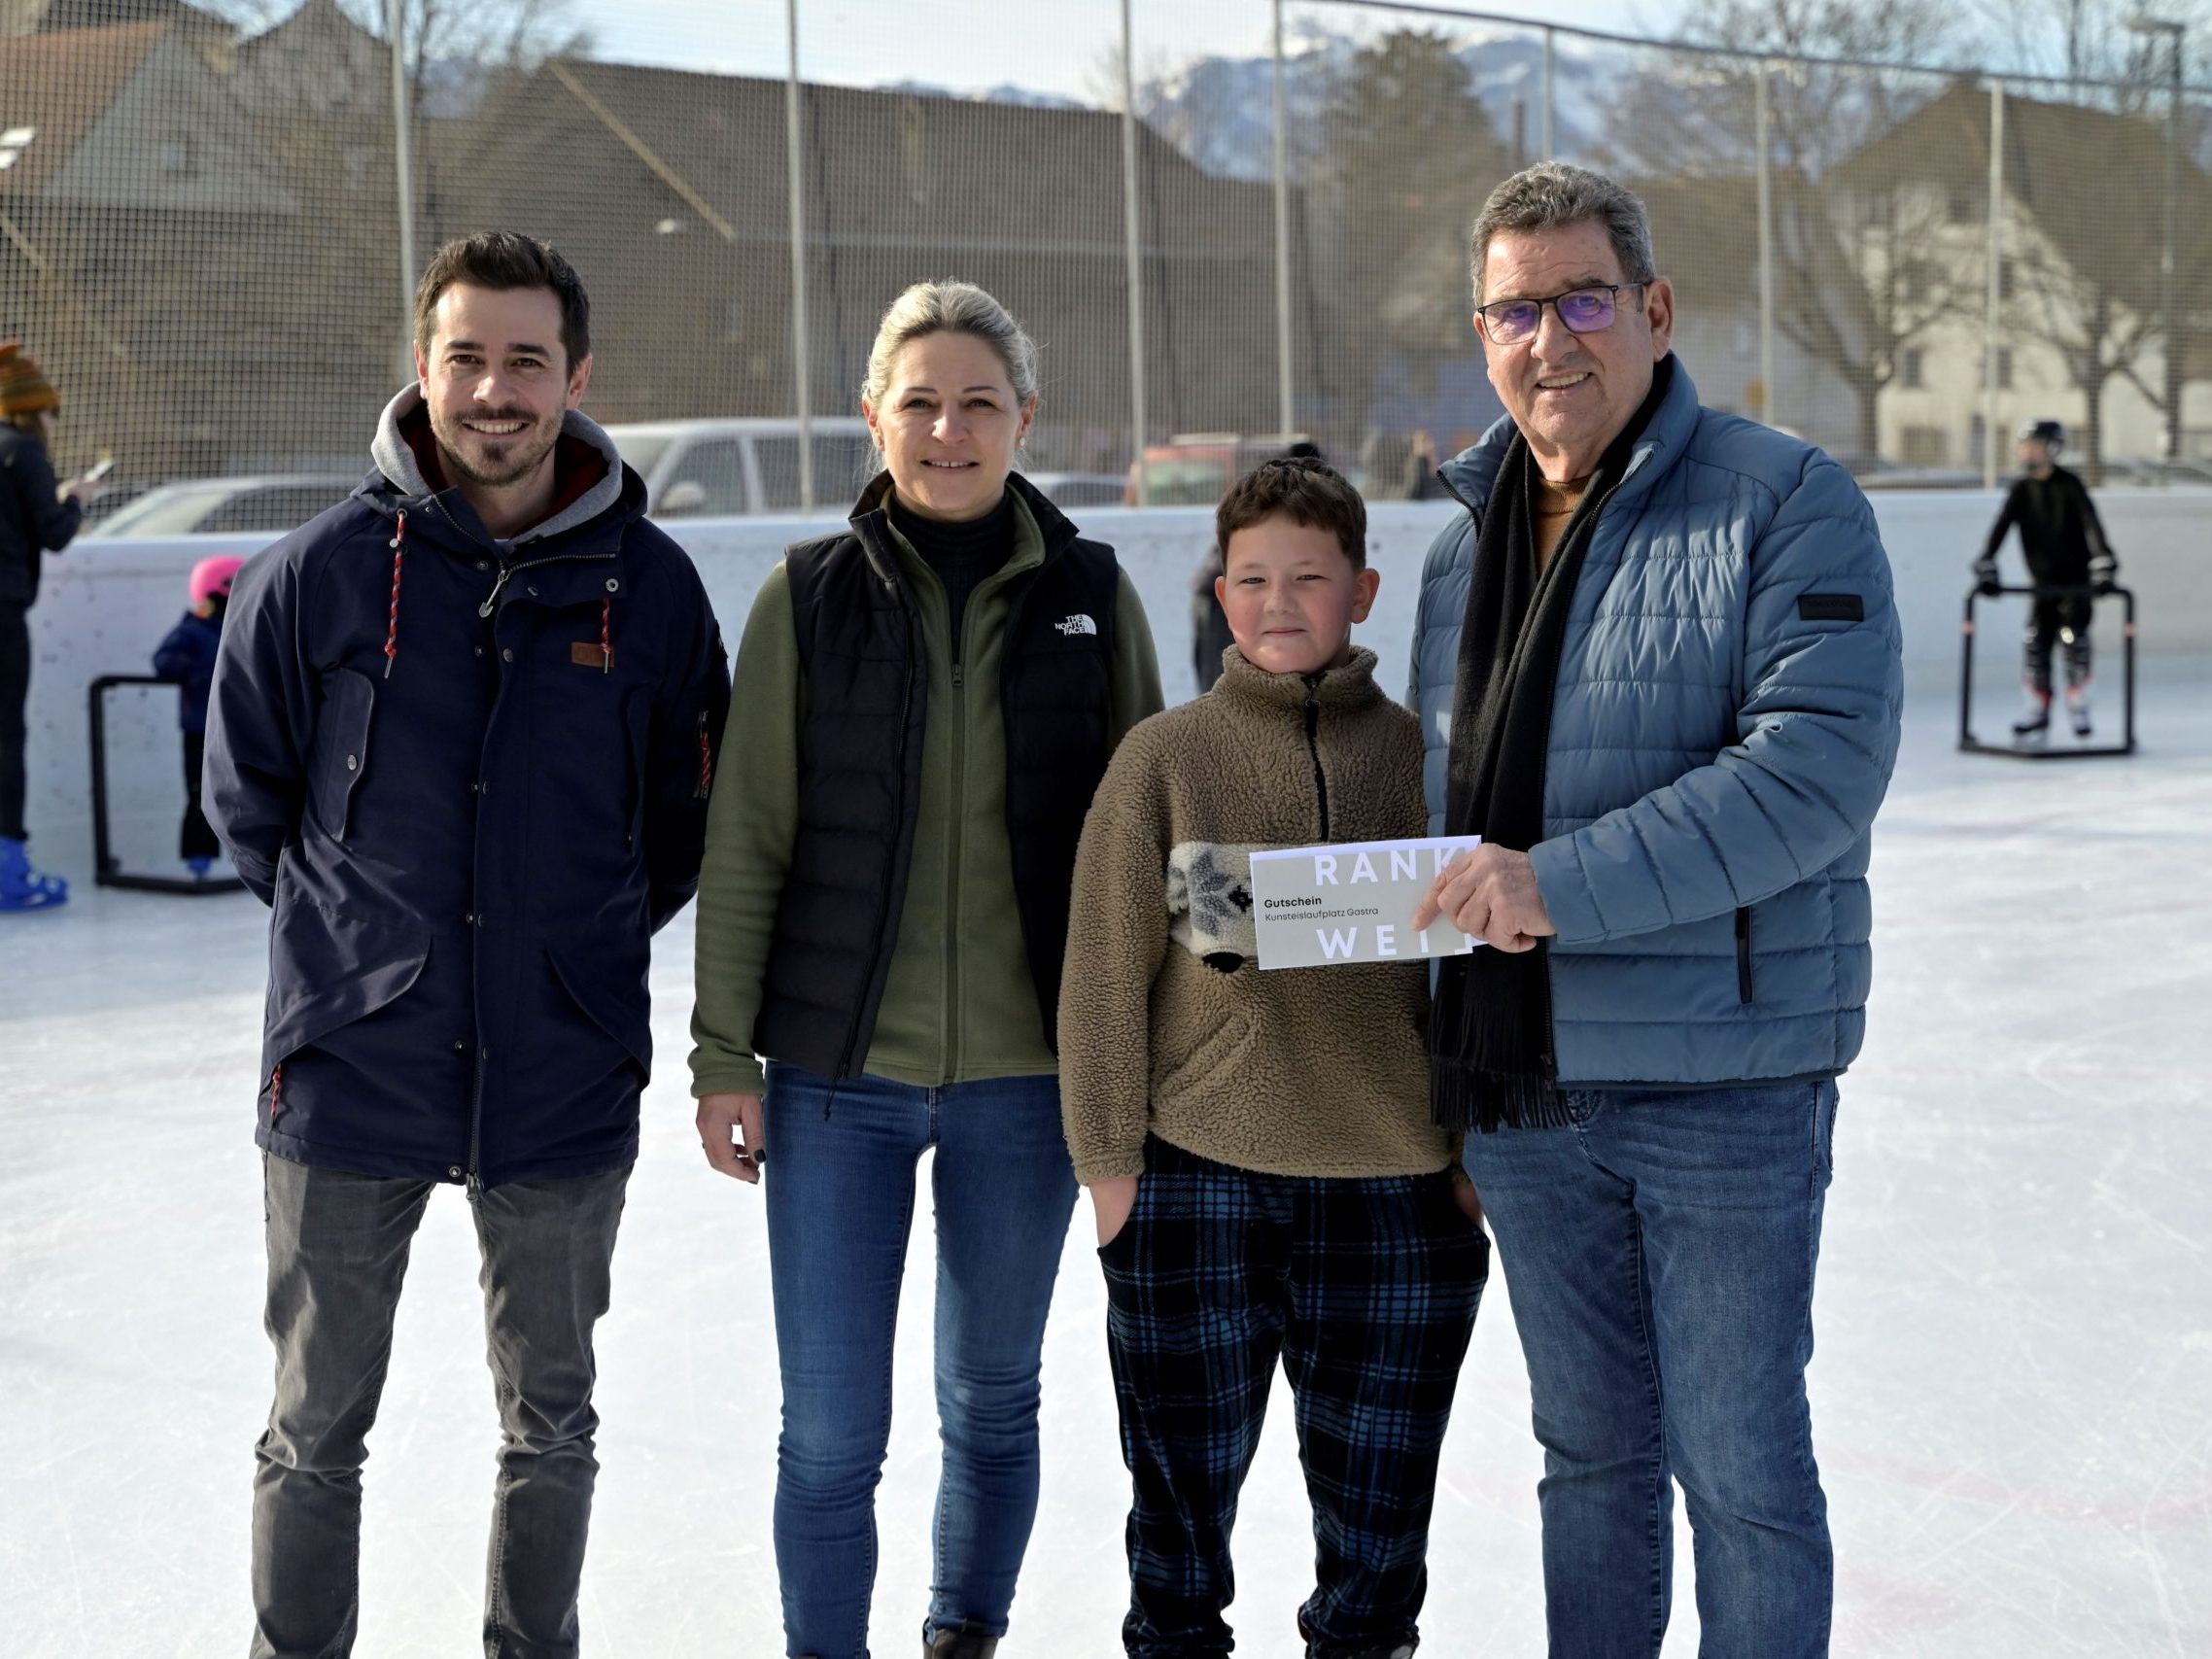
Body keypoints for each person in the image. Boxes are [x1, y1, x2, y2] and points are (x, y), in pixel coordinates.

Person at [205, 230, 730, 1659]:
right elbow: (250, 805)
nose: (494, 391)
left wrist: (566, 956)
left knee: (551, 1419)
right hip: (350, 1066)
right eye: (466, 357)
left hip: (560, 1066)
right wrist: (365, 955)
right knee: (314, 1425)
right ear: (420, 365)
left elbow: (680, 823)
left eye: (526, 360)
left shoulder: (656, 588)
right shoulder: (313, 575)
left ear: (577, 374)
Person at [1407, 162, 1903, 1656]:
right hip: (1521, 1097)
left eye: (1581, 299)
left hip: (1722, 1086)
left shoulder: (1785, 496)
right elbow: (1445, 822)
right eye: (1514, 308)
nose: (1548, 338)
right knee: (1590, 1462)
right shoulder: (1456, 546)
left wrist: (1554, 886)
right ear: (1481, 332)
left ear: (1654, 309)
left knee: (1740, 1471)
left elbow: (1815, 770)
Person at [689, 279, 1163, 1659]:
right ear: (872, 418)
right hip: (838, 1081)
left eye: (977, 403)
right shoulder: (806, 597)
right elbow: (750, 837)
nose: (947, 429)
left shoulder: (1091, 593)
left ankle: (967, 1631)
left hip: (1030, 1083)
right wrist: (725, 1052)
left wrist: (1138, 1067)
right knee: (831, 1429)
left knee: (993, 1393)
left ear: (1025, 416)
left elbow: (1146, 838)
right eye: (919, 402)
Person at [1061, 455, 1487, 1659]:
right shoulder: (1163, 758)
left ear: (1361, 589)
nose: (1277, 602)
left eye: (1307, 577)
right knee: (1177, 1533)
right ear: (1219, 588)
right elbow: (1101, 970)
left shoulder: (1426, 758)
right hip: (1196, 1183)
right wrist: (1108, 1168)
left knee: (1376, 1543)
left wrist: (1470, 1159)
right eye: (1250, 578)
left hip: (1397, 1191)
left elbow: (1483, 979)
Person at [0, 339, 98, 911]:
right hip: (3, 615)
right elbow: (54, 532)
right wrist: (77, 500)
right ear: (32, 408)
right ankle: (10, 868)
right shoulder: (22, 452)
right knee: (7, 739)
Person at [1974, 418, 2118, 740]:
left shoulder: (2070, 485)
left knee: (2073, 641)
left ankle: (2079, 706)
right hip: (2043, 586)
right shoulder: (2022, 490)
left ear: (2052, 450)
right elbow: (2001, 527)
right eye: (2024, 448)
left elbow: (2091, 524)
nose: (2027, 454)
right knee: (2036, 644)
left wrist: (2103, 561)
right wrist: (1986, 561)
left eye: (2034, 447)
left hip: (2075, 585)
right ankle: (2037, 709)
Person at [151, 553, 244, 880]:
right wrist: (202, 673)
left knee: (243, 791)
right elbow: (164, 660)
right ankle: (198, 856)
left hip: (238, 726)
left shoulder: (241, 624)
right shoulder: (193, 629)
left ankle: (250, 858)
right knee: (199, 792)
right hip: (201, 729)